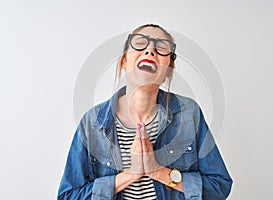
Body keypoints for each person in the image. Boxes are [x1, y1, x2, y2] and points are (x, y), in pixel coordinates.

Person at [58, 24, 233, 200]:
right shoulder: (92, 122)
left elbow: (220, 186)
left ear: (169, 68)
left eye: (162, 48)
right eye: (140, 44)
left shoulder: (189, 113)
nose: (150, 51)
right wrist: (131, 174)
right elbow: (68, 196)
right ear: (124, 61)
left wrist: (157, 171)